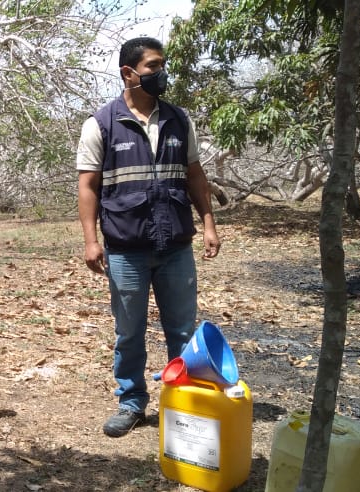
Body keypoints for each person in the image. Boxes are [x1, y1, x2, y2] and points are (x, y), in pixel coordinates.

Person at [76, 37, 221, 438]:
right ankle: (132, 402)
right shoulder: (101, 124)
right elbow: (88, 187)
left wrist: (209, 223)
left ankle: (183, 402)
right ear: (129, 73)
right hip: (126, 248)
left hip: (175, 246)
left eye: (161, 65)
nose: (161, 73)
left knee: (182, 331)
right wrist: (91, 241)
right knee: (129, 332)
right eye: (153, 66)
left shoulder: (178, 120)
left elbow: (195, 176)